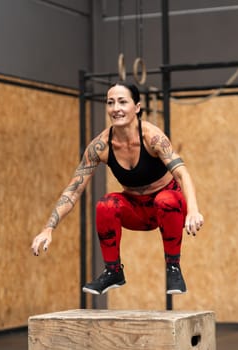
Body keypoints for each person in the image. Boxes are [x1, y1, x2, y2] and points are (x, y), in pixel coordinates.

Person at [31, 81, 204, 295]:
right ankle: (113, 271)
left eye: (123, 102)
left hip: (168, 205)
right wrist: (49, 228)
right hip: (136, 210)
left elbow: (182, 173)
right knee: (106, 204)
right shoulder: (100, 146)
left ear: (137, 107)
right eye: (111, 103)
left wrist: (193, 210)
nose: (116, 108)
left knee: (165, 200)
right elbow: (73, 190)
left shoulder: (152, 137)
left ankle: (173, 267)